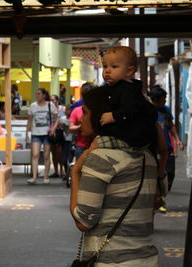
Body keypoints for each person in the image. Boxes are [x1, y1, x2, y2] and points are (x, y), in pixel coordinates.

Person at [70, 87, 159, 266]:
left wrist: (75, 172)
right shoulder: (147, 157)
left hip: (111, 261)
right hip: (147, 260)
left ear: (100, 117)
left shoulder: (102, 158)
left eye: (86, 112)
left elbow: (84, 221)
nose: (81, 118)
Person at [99, 46, 157, 149]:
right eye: (105, 66)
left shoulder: (128, 90)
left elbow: (133, 109)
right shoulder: (115, 88)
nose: (107, 70)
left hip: (129, 139)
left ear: (129, 71)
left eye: (114, 66)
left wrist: (114, 116)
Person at [149, 86, 184, 201]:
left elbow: (171, 125)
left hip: (167, 149)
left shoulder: (166, 110)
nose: (164, 101)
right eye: (163, 99)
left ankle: (161, 195)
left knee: (170, 173)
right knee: (154, 175)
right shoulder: (148, 111)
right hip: (153, 150)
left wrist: (177, 140)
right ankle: (157, 198)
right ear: (155, 99)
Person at [25, 88, 58, 184]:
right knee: (35, 154)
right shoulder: (33, 106)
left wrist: (53, 128)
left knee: (46, 155)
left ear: (44, 95)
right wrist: (26, 133)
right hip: (36, 133)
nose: (37, 95)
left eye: (39, 94)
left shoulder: (50, 105)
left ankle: (46, 176)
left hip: (47, 133)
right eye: (36, 94)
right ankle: (34, 177)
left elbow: (57, 119)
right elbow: (29, 121)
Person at [69, 82, 93, 160]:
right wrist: (81, 126)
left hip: (93, 144)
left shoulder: (96, 108)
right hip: (81, 144)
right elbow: (71, 127)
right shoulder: (77, 108)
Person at [49, 94, 66, 178]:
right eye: (50, 100)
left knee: (60, 152)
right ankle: (56, 171)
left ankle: (62, 170)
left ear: (57, 101)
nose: (52, 102)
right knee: (54, 152)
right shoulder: (48, 110)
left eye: (53, 100)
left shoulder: (63, 109)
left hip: (61, 132)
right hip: (52, 132)